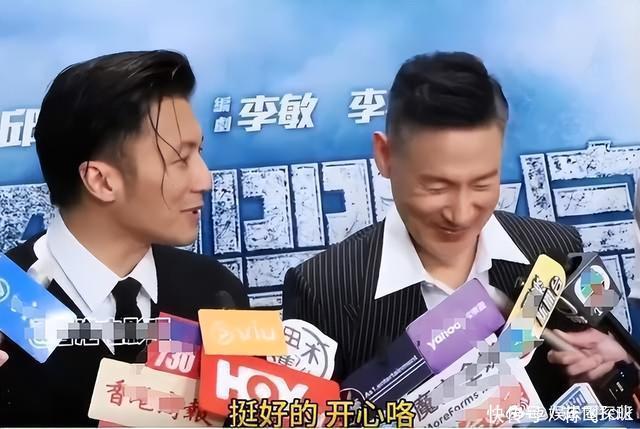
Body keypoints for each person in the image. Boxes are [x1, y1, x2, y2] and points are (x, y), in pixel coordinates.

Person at [282, 51, 627, 406]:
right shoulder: (321, 290)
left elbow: (613, 391)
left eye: (482, 184)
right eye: (436, 187)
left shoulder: (557, 249)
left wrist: (607, 375)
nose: (461, 215)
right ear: (385, 156)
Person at [0, 50, 249, 426]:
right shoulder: (8, 298)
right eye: (180, 160)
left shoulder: (217, 293)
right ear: (100, 180)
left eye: (199, 152)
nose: (205, 179)